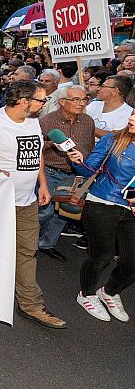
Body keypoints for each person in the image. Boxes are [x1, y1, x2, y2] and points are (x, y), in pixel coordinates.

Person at [0, 80, 67, 329]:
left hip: (27, 202)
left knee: (27, 253)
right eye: (41, 100)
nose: (44, 104)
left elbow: (36, 156)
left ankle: (31, 305)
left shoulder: (34, 123)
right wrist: (0, 177)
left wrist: (43, 185)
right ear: (25, 101)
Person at [68, 109, 135, 322]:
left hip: (131, 211)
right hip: (103, 202)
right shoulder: (113, 140)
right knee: (102, 256)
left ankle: (109, 292)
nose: (131, 118)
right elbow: (88, 170)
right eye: (133, 113)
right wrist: (78, 160)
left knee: (132, 262)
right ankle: (86, 294)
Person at [36, 87, 95, 261]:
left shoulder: (87, 121)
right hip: (50, 172)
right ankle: (26, 245)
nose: (82, 103)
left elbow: (91, 147)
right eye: (76, 100)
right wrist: (51, 145)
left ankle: (46, 244)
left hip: (76, 175)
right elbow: (37, 147)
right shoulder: (46, 121)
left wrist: (89, 169)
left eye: (84, 99)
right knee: (44, 211)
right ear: (62, 102)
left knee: (64, 213)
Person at [86, 75, 133, 140]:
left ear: (115, 91)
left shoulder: (128, 113)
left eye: (103, 86)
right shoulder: (94, 105)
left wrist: (88, 126)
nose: (98, 89)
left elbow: (115, 137)